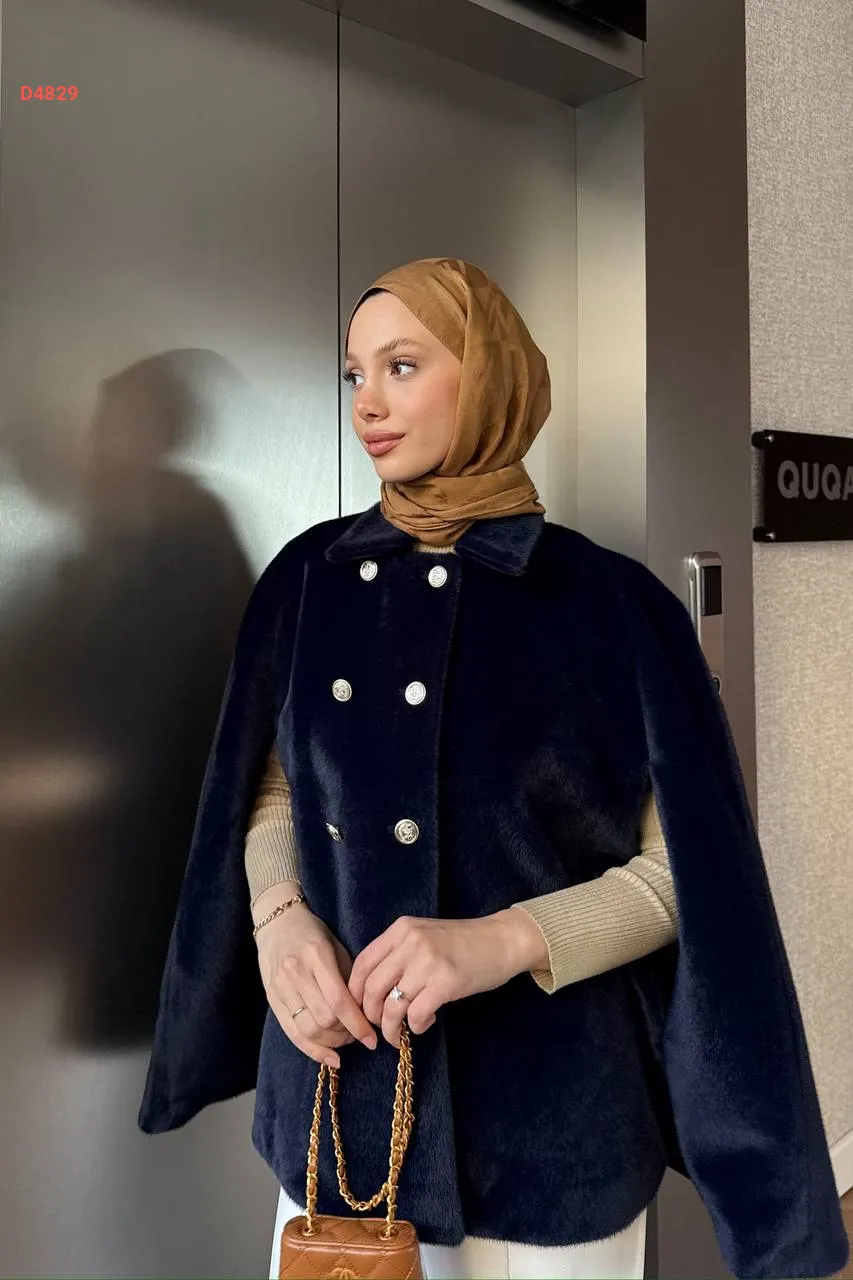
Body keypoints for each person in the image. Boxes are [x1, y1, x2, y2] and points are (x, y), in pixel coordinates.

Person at [139, 259, 849, 1280]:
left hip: (552, 1138)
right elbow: (275, 784)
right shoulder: (307, 581)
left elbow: (684, 876)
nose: (368, 402)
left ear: (489, 376)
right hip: (335, 1119)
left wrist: (505, 939)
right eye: (354, 373)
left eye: (401, 365)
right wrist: (278, 917)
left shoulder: (614, 606)